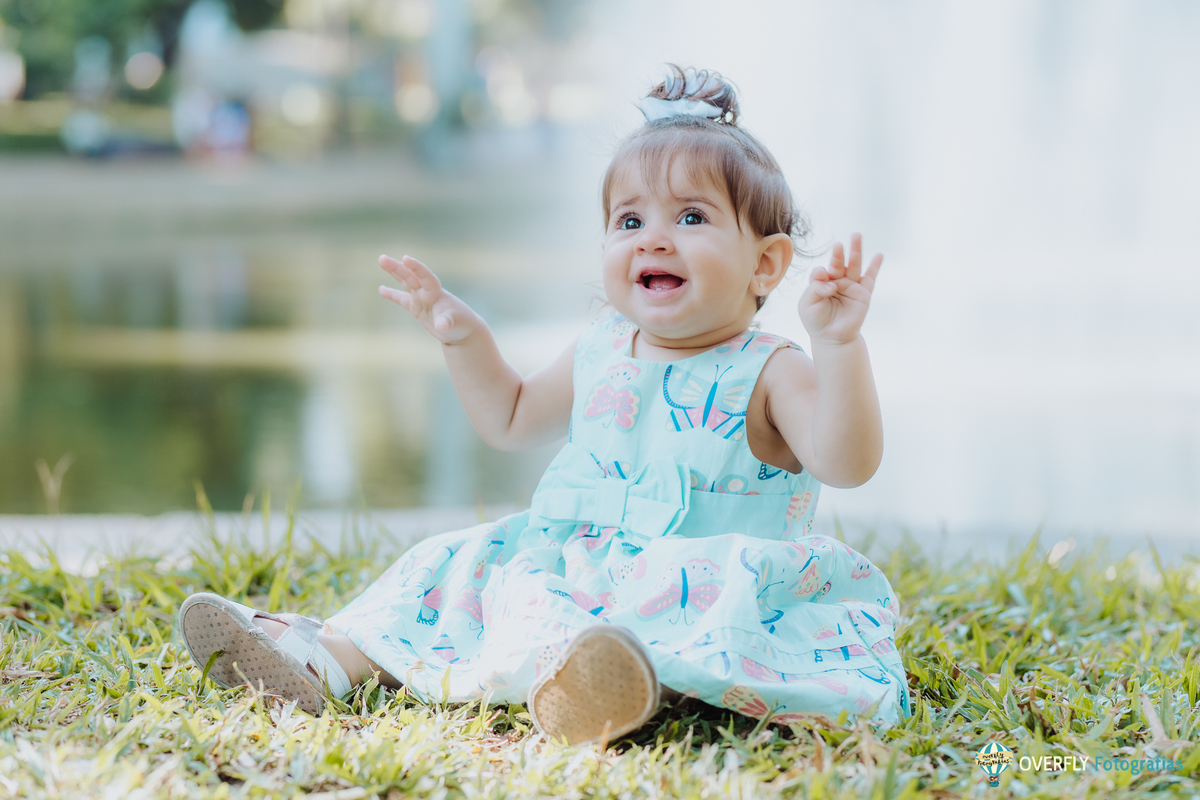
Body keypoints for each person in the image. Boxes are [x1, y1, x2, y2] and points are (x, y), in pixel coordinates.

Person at [178, 65, 909, 745]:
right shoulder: (602, 349)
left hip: (699, 578)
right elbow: (512, 418)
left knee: (680, 621)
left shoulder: (772, 370)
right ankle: (326, 658)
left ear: (766, 264)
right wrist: (466, 340)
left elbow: (844, 464)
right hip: (575, 561)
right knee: (459, 568)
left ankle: (616, 688)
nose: (654, 237)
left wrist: (837, 345)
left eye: (691, 217)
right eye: (630, 222)